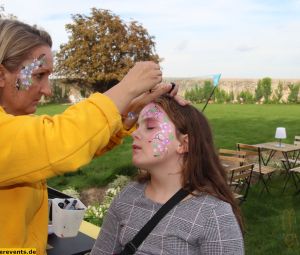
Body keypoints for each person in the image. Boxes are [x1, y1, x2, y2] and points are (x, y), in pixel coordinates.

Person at [0, 18, 182, 253]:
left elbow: (79, 142)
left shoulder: (13, 127)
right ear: (2, 74)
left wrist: (131, 111)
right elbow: (60, 142)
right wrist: (127, 87)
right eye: (38, 75)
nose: (47, 90)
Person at [91, 95, 244, 254]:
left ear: (184, 144)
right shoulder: (127, 196)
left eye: (150, 127)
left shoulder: (214, 215)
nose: (134, 134)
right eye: (137, 126)